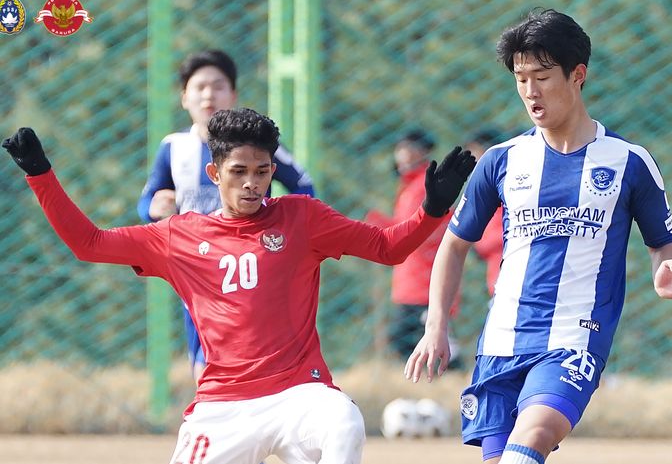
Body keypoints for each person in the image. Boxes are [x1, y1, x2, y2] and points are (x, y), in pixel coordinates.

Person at [3, 107, 476, 464]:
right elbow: (89, 243)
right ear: (215, 173)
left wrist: (432, 209)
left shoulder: (302, 217)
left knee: (343, 420)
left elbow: (387, 247)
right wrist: (41, 176)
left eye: (263, 171)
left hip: (299, 393)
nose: (253, 184)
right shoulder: (179, 235)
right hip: (222, 405)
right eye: (239, 172)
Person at [405, 8, 672, 464]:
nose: (530, 91)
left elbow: (663, 243)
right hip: (501, 339)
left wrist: (664, 273)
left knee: (537, 430)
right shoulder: (501, 160)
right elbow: (454, 244)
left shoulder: (628, 161)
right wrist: (436, 326)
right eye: (521, 79)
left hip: (574, 337)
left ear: (577, 75)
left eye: (542, 76)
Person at [137, 49, 315, 380]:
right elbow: (147, 200)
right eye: (199, 87)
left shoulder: (257, 144)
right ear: (184, 97)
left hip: (253, 260)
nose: (209, 95)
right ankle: (212, 404)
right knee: (204, 353)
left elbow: (304, 187)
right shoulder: (174, 148)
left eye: (218, 86)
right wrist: (153, 208)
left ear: (232, 95)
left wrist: (281, 226)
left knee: (256, 341)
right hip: (199, 264)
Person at [365, 129, 462, 365]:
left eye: (409, 149)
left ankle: (452, 367)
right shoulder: (410, 186)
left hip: (425, 277)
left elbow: (419, 231)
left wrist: (382, 227)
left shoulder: (422, 185)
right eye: (400, 149)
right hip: (411, 276)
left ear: (424, 152)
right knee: (412, 336)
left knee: (410, 337)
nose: (402, 155)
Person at [464, 129, 505, 297]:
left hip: (510, 276)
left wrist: (478, 244)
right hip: (497, 277)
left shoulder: (504, 181)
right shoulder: (483, 187)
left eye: (475, 151)